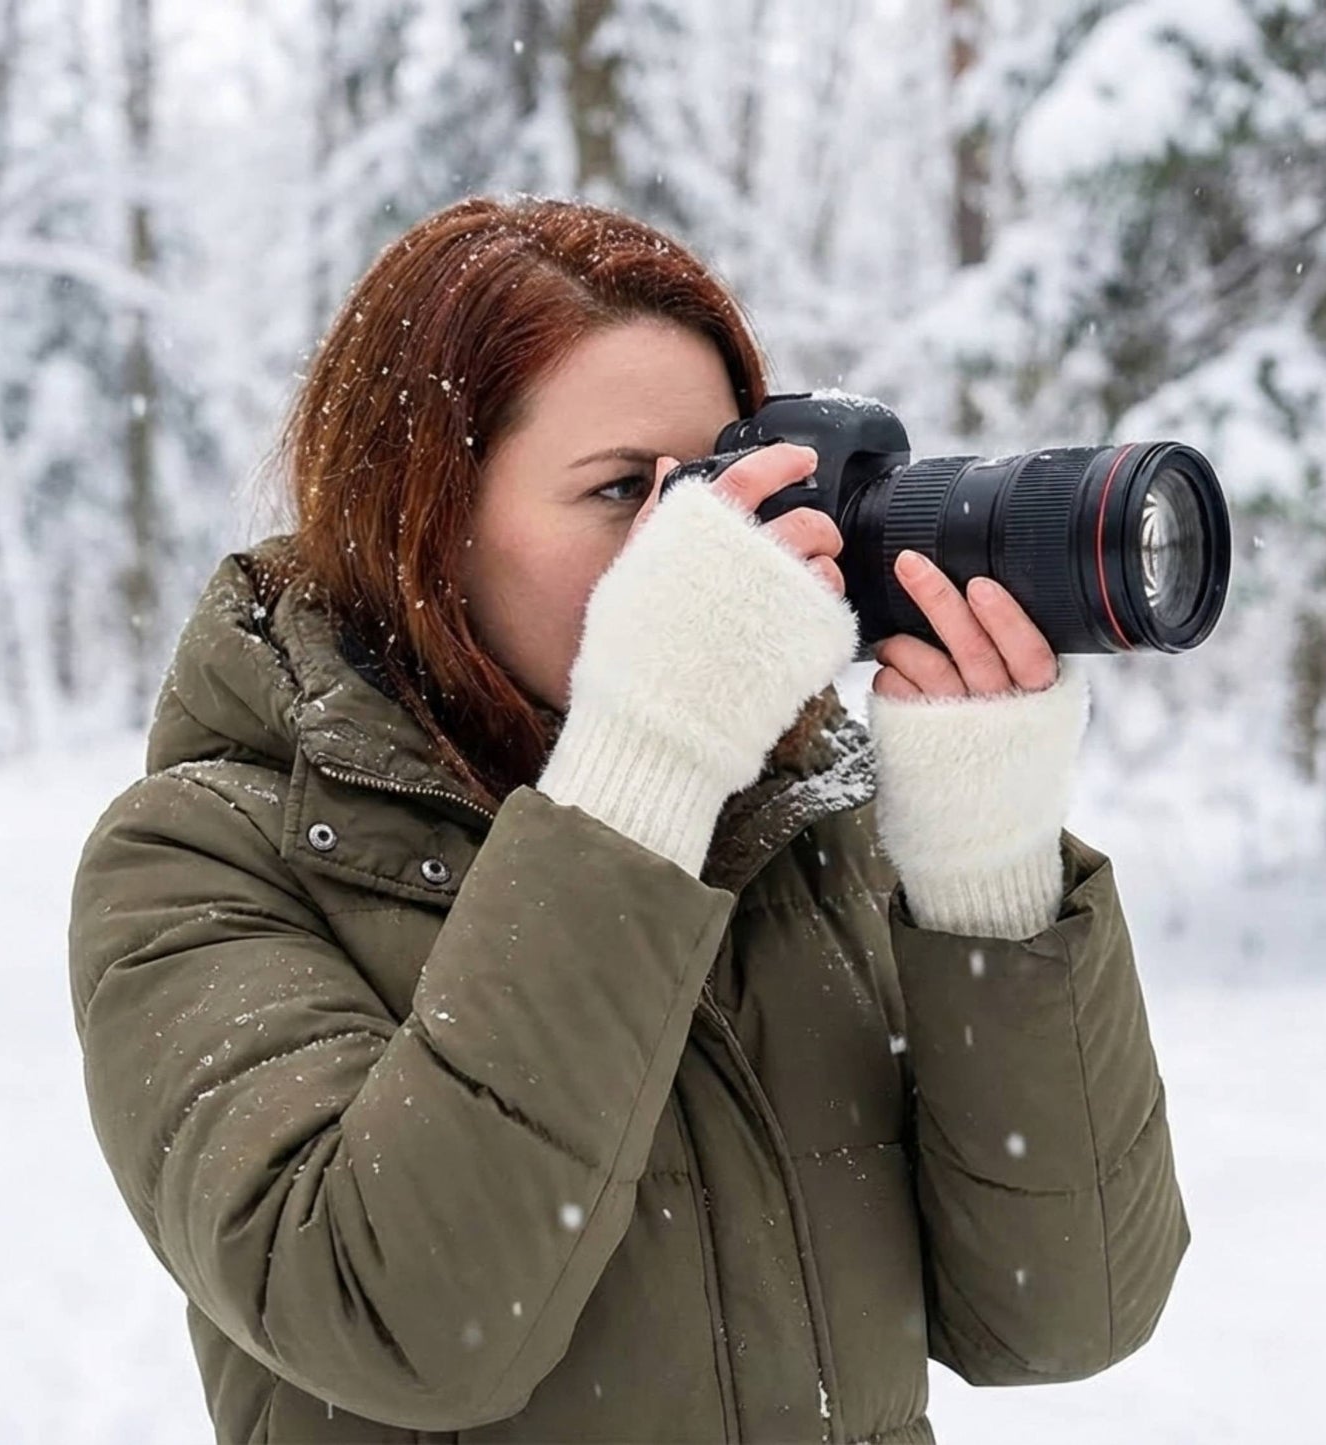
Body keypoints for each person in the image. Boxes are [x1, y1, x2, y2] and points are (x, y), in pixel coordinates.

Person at [67, 194, 1190, 1445]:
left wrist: (985, 876)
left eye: (722, 481)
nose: (702, 544)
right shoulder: (200, 860)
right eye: (620, 491)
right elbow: (405, 1321)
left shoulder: (799, 834)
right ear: (423, 522)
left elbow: (1058, 1312)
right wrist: (642, 765)